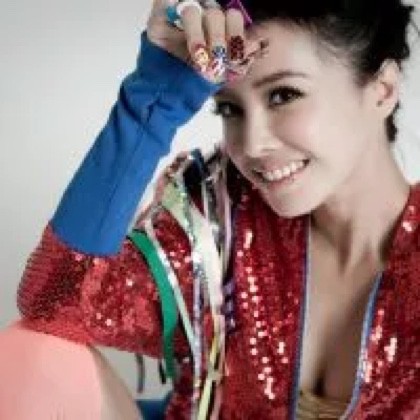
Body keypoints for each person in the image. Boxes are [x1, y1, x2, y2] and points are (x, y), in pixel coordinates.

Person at [14, 0, 419, 418]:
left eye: (284, 95)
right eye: (229, 108)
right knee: (27, 353)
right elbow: (55, 301)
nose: (252, 144)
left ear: (383, 90)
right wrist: (149, 107)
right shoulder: (222, 215)